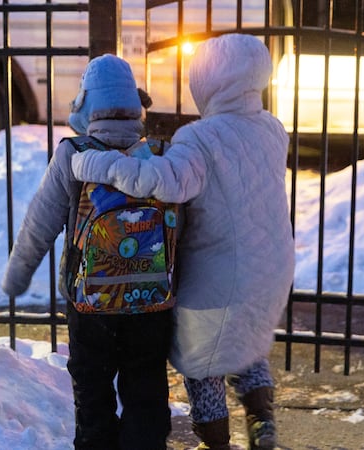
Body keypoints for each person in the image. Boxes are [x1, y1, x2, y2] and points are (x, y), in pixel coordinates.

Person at [70, 33, 295, 450]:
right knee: (244, 340)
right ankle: (262, 418)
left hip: (220, 273)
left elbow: (162, 181)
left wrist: (100, 163)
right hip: (273, 269)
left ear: (207, 81)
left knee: (200, 355)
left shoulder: (199, 139)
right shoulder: (273, 129)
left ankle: (216, 441)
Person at [1, 54, 173, 450]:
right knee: (146, 382)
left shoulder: (73, 154)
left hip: (89, 302)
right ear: (135, 103)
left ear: (86, 103)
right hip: (152, 300)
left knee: (92, 383)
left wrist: (17, 274)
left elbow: (39, 223)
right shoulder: (159, 156)